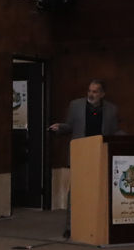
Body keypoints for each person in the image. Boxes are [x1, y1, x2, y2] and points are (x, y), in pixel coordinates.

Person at [49, 80, 123, 238]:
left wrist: (126, 137)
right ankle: (71, 226)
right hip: (80, 156)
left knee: (99, 192)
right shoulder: (76, 105)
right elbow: (70, 125)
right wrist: (60, 127)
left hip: (100, 156)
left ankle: (95, 225)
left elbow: (114, 132)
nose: (91, 94)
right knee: (76, 192)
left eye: (95, 92)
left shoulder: (111, 109)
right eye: (89, 91)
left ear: (102, 94)